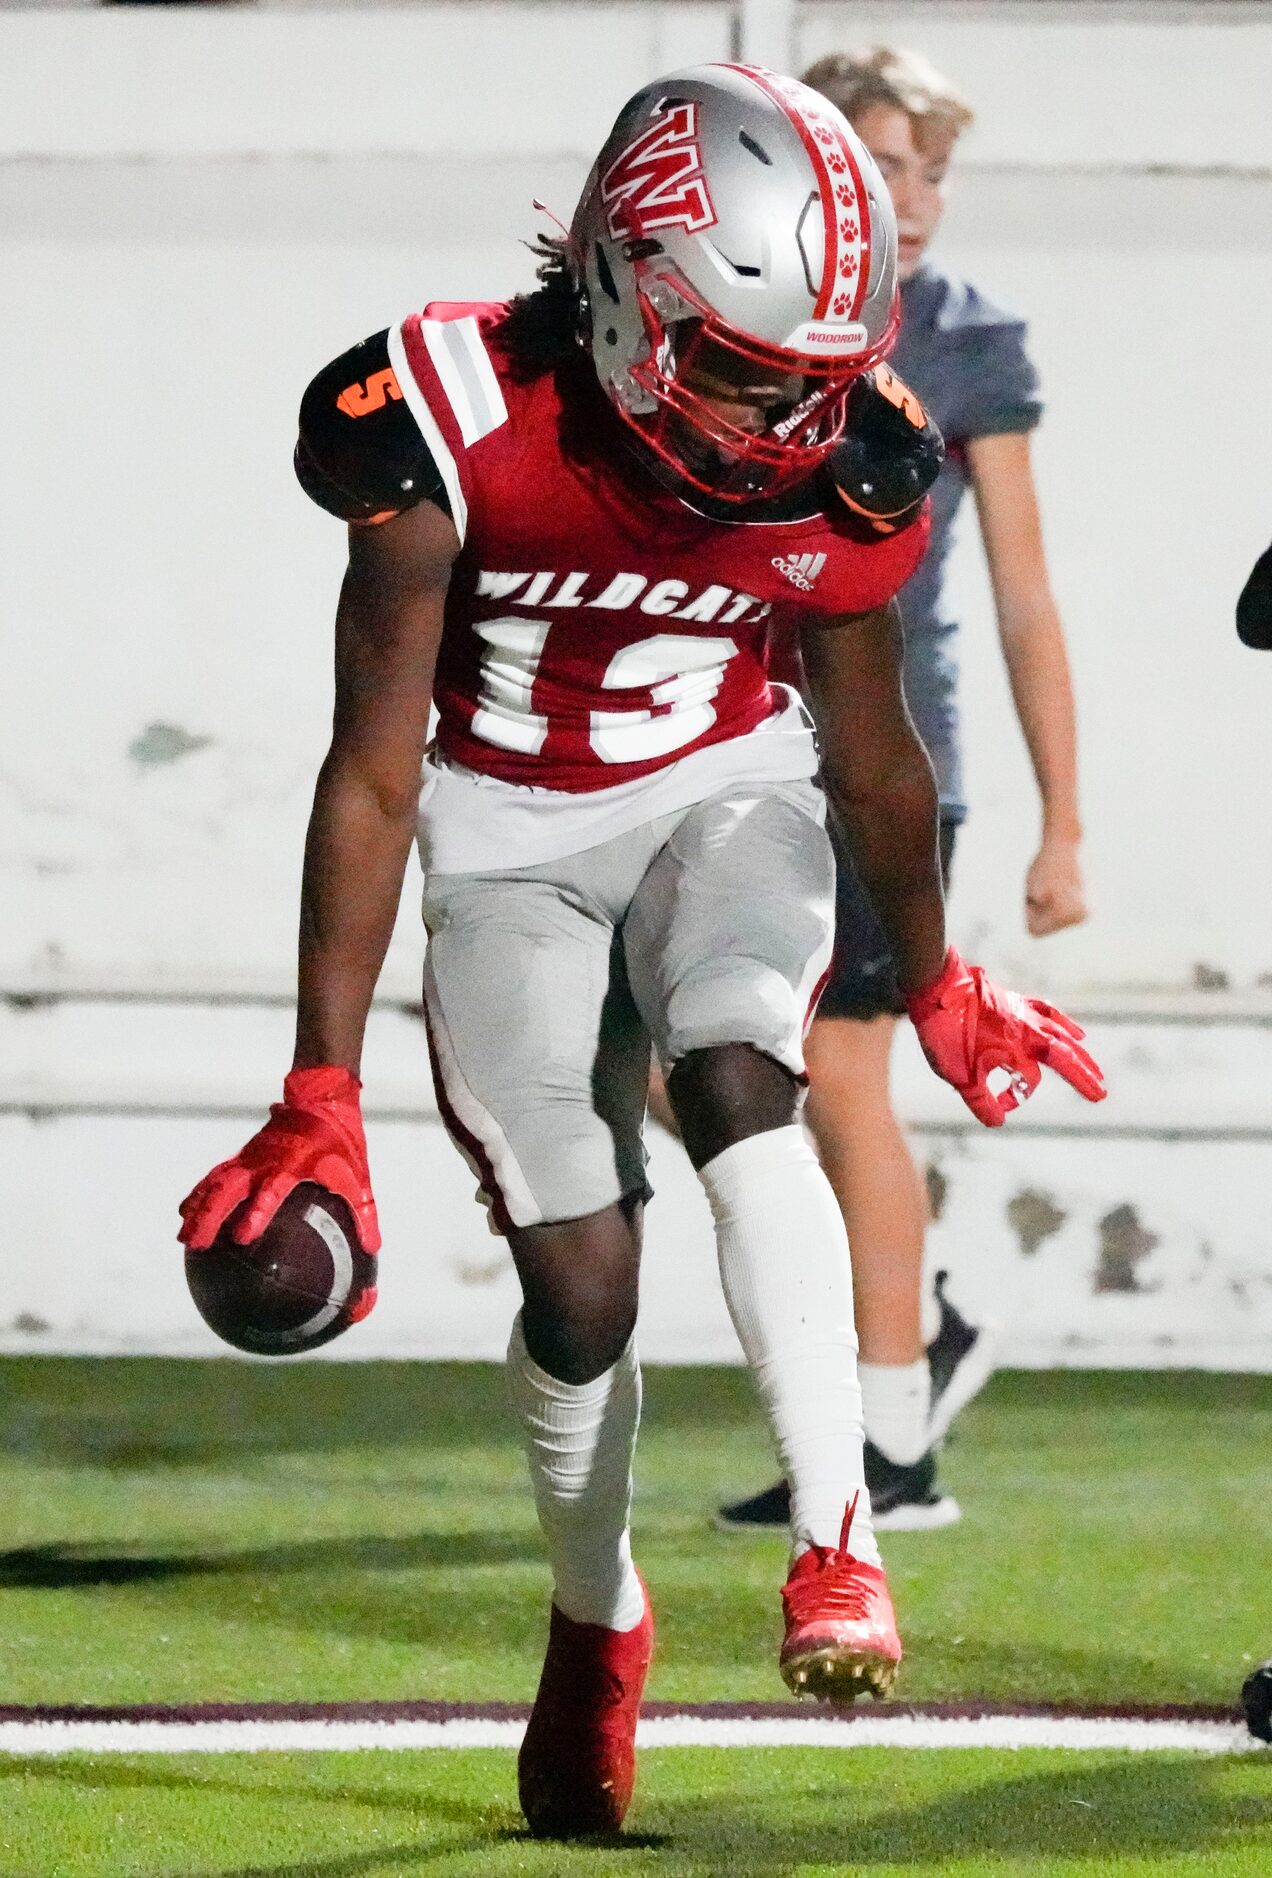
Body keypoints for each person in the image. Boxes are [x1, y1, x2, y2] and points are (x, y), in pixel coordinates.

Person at [177, 65, 1104, 1840]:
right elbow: (375, 771)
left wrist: (935, 977)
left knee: (748, 1062)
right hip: (507, 833)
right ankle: (597, 1619)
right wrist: (315, 1083)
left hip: (724, 792)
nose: (775, 416)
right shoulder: (438, 409)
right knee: (582, 1279)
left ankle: (840, 1538)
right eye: (741, 363)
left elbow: (871, 749)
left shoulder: (858, 449)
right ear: (619, 281)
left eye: (803, 377)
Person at [719, 46, 1090, 1536]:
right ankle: (912, 1329)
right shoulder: (744, 323)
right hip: (739, 758)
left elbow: (1023, 596)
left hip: (887, 761)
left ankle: (893, 1453)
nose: (917, 198)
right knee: (727, 1075)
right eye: (887, 165)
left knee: (847, 1085)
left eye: (936, 171)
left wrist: (1065, 821)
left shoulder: (961, 341)